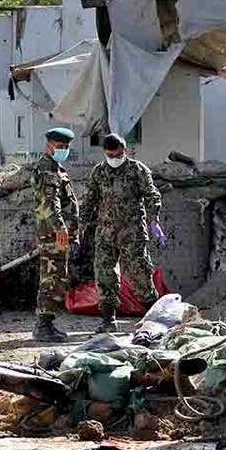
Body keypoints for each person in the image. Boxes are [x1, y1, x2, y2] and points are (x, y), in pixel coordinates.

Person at [79, 133, 162, 333]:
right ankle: (108, 320)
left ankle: (154, 318)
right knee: (104, 274)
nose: (113, 159)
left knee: (139, 272)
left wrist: (154, 219)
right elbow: (90, 199)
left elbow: (151, 195)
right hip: (106, 232)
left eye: (117, 155)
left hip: (132, 232)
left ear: (124, 151)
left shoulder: (137, 170)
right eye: (109, 155)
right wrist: (81, 224)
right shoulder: (99, 172)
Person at [28, 127, 80, 342]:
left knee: (57, 278)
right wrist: (60, 229)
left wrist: (72, 234)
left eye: (66, 147)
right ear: (48, 146)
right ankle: (43, 326)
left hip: (59, 234)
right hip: (52, 234)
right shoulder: (47, 170)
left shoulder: (57, 169)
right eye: (60, 147)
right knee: (51, 279)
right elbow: (50, 205)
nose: (64, 150)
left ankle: (46, 323)